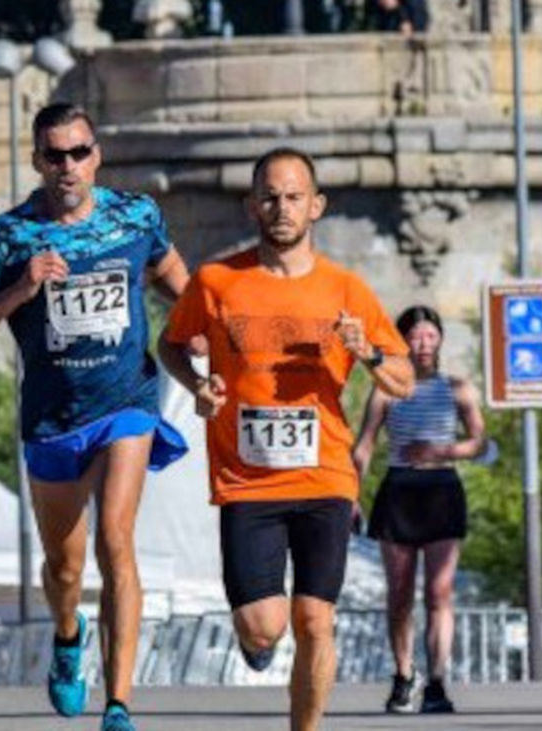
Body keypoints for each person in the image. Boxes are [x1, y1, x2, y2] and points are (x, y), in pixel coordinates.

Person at [0, 103, 189, 731]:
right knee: (65, 566)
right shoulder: (9, 236)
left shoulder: (135, 216)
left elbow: (173, 278)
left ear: (97, 155)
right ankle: (66, 633)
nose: (68, 166)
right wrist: (20, 289)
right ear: (36, 161)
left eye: (79, 152)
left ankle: (119, 702)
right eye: (54, 155)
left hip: (125, 404)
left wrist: (208, 331)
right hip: (53, 419)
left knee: (116, 539)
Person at [158, 147, 414, 731]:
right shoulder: (217, 281)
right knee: (263, 625)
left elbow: (402, 380)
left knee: (315, 620)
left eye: (294, 196)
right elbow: (170, 345)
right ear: (252, 206)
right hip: (247, 481)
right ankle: (256, 644)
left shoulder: (346, 290)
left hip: (324, 476)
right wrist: (197, 386)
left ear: (316, 206)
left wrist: (365, 351)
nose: (282, 208)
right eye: (270, 196)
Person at [351, 305, 486, 714]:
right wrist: (351, 495)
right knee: (400, 594)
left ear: (440, 339)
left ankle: (438, 681)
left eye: (430, 335)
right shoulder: (385, 389)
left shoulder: (458, 388)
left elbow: (478, 442)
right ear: (401, 341)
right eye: (415, 336)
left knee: (440, 592)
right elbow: (364, 445)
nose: (423, 344)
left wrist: (442, 450)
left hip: (442, 489)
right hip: (399, 492)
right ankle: (404, 674)